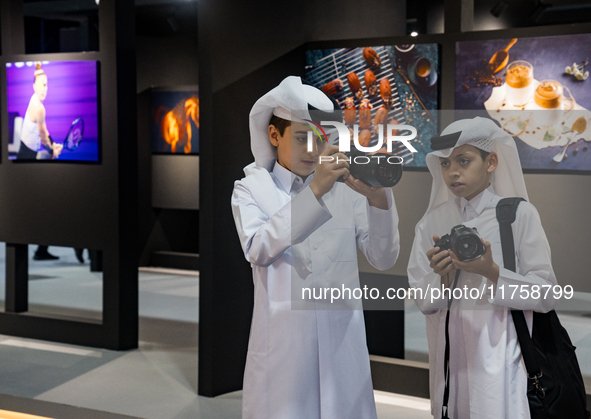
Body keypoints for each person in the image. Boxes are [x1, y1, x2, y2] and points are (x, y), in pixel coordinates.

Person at [231, 76, 400, 419]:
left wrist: (380, 201)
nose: (312, 149)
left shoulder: (347, 189)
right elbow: (258, 248)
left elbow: (383, 259)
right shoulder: (251, 189)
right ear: (274, 135)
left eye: (319, 139)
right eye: (301, 137)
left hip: (343, 340)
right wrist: (315, 193)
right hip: (285, 346)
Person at [407, 117, 558, 419]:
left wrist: (492, 271)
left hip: (502, 361)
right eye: (446, 163)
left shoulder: (518, 215)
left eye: (463, 160)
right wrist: (442, 279)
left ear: (491, 162)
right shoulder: (431, 223)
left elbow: (547, 294)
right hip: (449, 365)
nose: (453, 172)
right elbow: (422, 301)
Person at [17, 61, 62, 160]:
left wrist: (53, 143)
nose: (43, 89)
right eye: (39, 85)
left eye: (45, 85)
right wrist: (53, 152)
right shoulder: (39, 108)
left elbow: (43, 131)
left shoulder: (34, 98)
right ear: (34, 86)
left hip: (25, 149)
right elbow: (44, 141)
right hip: (27, 155)